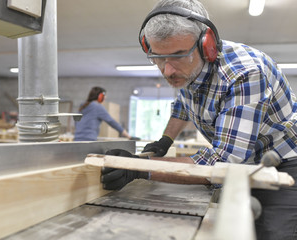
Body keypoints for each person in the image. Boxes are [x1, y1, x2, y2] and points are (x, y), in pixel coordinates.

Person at [101, 0, 297, 239]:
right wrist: (164, 141)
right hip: (245, 157)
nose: (168, 70)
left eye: (177, 56)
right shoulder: (187, 69)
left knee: (271, 232)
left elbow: (225, 161)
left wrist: (139, 169)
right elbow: (183, 104)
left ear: (208, 46)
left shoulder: (245, 74)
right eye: (158, 58)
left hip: (285, 159)